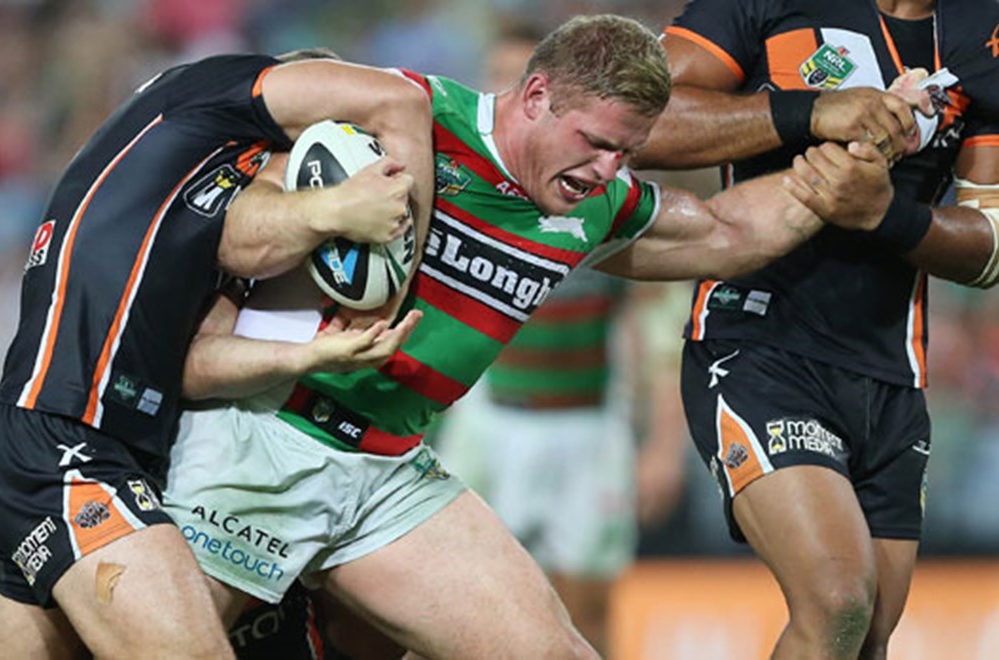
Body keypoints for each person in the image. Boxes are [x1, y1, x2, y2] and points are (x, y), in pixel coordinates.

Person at [163, 14, 913, 658]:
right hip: (264, 439)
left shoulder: (592, 202)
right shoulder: (408, 119)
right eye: (596, 141)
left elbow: (723, 231)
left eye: (627, 151)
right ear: (535, 96)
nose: (608, 169)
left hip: (387, 471)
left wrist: (854, 158)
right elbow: (238, 212)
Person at [0, 48, 436, 659]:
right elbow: (402, 100)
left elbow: (200, 361)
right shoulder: (205, 92)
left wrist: (308, 356)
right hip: (64, 441)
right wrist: (387, 268)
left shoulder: (206, 199)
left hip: (93, 449)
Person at [631, 0, 999, 657]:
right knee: (836, 601)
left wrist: (886, 215)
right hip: (756, 344)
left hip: (891, 375)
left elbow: (990, 245)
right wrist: (809, 111)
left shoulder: (984, 34)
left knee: (865, 638)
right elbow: (638, 118)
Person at [429, 18, 687, 654]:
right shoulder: (454, 177)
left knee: (586, 609)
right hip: (488, 418)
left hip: (586, 426)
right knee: (446, 604)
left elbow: (659, 329)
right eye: (498, 77)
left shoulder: (598, 196)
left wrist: (662, 444)